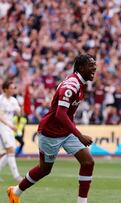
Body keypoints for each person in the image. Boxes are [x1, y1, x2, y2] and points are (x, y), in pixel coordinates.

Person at [7, 54, 97, 203]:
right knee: (45, 169)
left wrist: (74, 132)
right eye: (91, 65)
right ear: (81, 68)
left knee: (88, 162)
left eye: (95, 65)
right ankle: (15, 191)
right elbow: (60, 114)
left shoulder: (81, 84)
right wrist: (79, 135)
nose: (94, 68)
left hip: (66, 131)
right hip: (50, 132)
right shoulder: (71, 86)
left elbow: (68, 113)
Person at [0, 80, 23, 182]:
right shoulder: (1, 100)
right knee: (11, 150)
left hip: (9, 128)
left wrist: (19, 110)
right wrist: (10, 125)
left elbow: (19, 113)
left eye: (14, 88)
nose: (13, 90)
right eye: (11, 88)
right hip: (2, 127)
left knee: (10, 151)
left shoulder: (14, 100)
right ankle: (17, 176)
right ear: (5, 89)